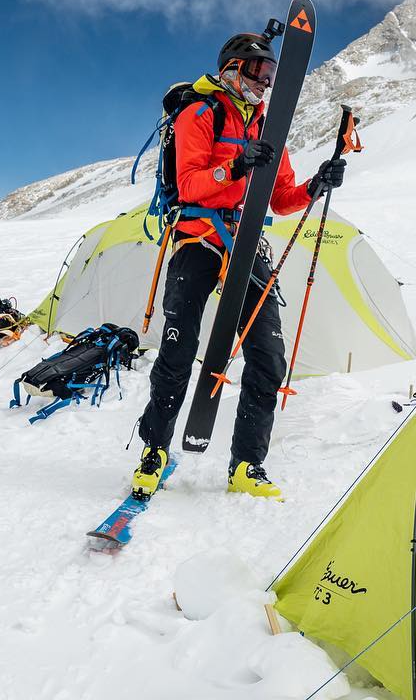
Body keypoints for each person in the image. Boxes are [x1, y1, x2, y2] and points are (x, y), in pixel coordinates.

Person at [132, 30, 346, 501]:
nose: (265, 82)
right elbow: (189, 185)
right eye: (258, 71)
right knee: (177, 351)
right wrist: (235, 166)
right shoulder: (199, 113)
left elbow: (282, 198)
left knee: (268, 357)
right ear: (231, 69)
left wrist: (316, 185)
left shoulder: (270, 128)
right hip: (198, 240)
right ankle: (153, 451)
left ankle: (247, 464)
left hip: (247, 246)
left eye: (271, 74)